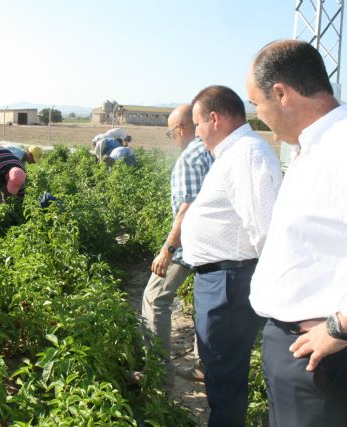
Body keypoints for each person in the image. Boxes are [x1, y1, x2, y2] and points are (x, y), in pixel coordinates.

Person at [247, 40, 347, 427]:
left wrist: (342, 325)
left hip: (326, 356)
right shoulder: (315, 144)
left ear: (281, 93)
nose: (259, 117)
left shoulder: (345, 144)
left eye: (257, 104)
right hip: (300, 349)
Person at [180, 85, 282, 426]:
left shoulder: (247, 155)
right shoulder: (235, 154)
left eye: (197, 123)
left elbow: (264, 229)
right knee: (220, 371)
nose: (196, 132)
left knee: (224, 377)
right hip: (222, 279)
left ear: (215, 118)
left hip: (230, 281)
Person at [141, 104, 213, 382]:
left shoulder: (190, 157)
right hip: (214, 246)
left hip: (190, 245)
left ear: (181, 128)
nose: (172, 138)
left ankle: (157, 370)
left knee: (154, 298)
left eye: (171, 133)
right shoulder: (211, 150)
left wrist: (168, 250)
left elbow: (188, 208)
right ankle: (204, 364)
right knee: (204, 302)